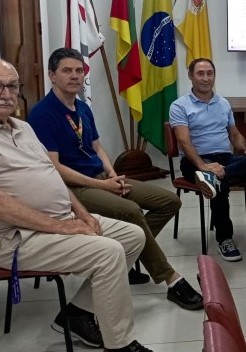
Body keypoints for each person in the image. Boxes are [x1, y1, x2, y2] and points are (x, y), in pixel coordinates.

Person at [0, 58, 152, 352]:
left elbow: (52, 176)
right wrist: (64, 227)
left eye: (12, 86)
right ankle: (120, 345)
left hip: (58, 221)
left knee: (132, 236)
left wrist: (81, 214)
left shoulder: (22, 127)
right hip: (14, 238)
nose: (6, 93)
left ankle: (76, 313)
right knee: (108, 252)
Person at [26, 48, 202, 310]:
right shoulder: (42, 114)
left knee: (168, 202)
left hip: (100, 177)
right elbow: (54, 167)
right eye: (67, 71)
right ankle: (171, 279)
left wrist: (111, 173)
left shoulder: (82, 107)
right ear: (52, 75)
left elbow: (97, 147)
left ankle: (126, 255)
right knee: (131, 211)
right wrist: (101, 185)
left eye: (78, 70)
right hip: (73, 188)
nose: (74, 76)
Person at [169, 58, 246, 262]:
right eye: (200, 73)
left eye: (210, 73)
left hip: (224, 159)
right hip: (194, 161)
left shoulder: (223, 103)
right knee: (219, 184)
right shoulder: (180, 105)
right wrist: (203, 165)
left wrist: (245, 149)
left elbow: (235, 135)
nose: (206, 78)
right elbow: (183, 141)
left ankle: (214, 177)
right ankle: (225, 239)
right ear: (190, 76)